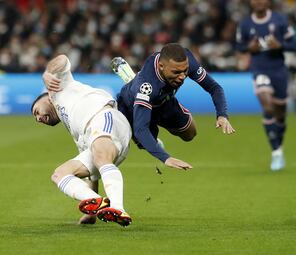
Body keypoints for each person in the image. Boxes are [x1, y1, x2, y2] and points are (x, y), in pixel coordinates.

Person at [32, 54, 132, 227]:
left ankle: (118, 208)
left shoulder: (57, 89)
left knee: (100, 156)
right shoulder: (75, 130)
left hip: (104, 116)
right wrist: (91, 213)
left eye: (36, 112)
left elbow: (62, 59)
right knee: (59, 174)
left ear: (45, 99)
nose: (38, 118)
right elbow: (93, 176)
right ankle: (97, 204)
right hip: (99, 137)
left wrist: (47, 73)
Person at [112, 43, 235, 168]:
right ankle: (132, 84)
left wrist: (222, 115)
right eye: (176, 72)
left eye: (185, 71)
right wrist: (166, 158)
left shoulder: (186, 61)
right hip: (133, 104)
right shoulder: (147, 85)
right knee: (144, 140)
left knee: (190, 134)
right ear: (161, 66)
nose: (182, 77)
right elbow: (141, 129)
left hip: (164, 101)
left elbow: (215, 88)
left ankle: (133, 81)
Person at [236, 0, 296, 171]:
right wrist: (249, 47)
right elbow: (239, 46)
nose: (259, 1)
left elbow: (293, 43)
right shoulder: (245, 23)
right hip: (259, 70)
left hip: (279, 71)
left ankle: (278, 146)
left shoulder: (280, 20)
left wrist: (281, 46)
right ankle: (276, 153)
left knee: (280, 116)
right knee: (267, 107)